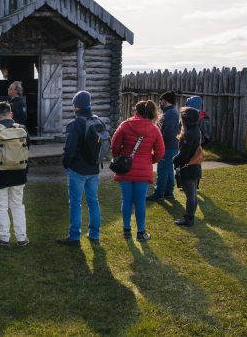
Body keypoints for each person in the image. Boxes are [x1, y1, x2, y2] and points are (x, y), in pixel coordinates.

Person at [111, 100, 165, 242]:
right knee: (140, 201)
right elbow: (160, 152)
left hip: (125, 168)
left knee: (126, 200)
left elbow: (114, 144)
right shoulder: (154, 129)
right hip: (144, 169)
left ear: (136, 110)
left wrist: (118, 156)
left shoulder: (125, 125)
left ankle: (126, 230)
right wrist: (150, 160)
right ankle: (141, 232)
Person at [56, 91, 101, 246]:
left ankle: (74, 236)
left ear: (76, 106)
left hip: (78, 170)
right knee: (93, 201)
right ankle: (94, 234)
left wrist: (65, 163)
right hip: (94, 169)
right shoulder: (97, 120)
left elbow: (70, 149)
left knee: (75, 203)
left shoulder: (75, 124)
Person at [0, 102, 29, 247]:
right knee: (17, 205)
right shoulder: (22, 129)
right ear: (11, 114)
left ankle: (4, 238)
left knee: (1, 206)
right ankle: (21, 237)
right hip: (19, 173)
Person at [173, 107, 203, 226]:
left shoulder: (190, 133)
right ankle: (190, 218)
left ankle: (189, 219)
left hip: (188, 169)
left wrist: (174, 159)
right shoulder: (196, 130)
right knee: (193, 195)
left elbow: (184, 154)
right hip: (194, 167)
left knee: (190, 196)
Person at [148, 91, 180, 201]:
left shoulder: (171, 114)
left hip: (167, 147)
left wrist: (158, 143)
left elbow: (168, 133)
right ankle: (168, 192)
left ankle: (159, 194)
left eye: (161, 100)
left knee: (162, 170)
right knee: (169, 170)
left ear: (165, 101)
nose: (159, 103)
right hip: (170, 146)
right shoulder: (169, 112)